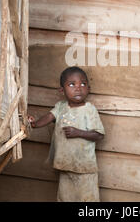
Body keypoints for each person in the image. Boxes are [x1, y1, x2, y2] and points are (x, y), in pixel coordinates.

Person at [28, 66, 105, 202]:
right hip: (65, 165)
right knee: (65, 198)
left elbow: (99, 135)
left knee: (87, 199)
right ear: (62, 90)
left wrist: (78, 132)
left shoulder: (89, 110)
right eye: (72, 84)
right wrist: (34, 124)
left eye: (83, 84)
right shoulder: (60, 107)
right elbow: (48, 117)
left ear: (89, 88)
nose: (78, 88)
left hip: (84, 167)